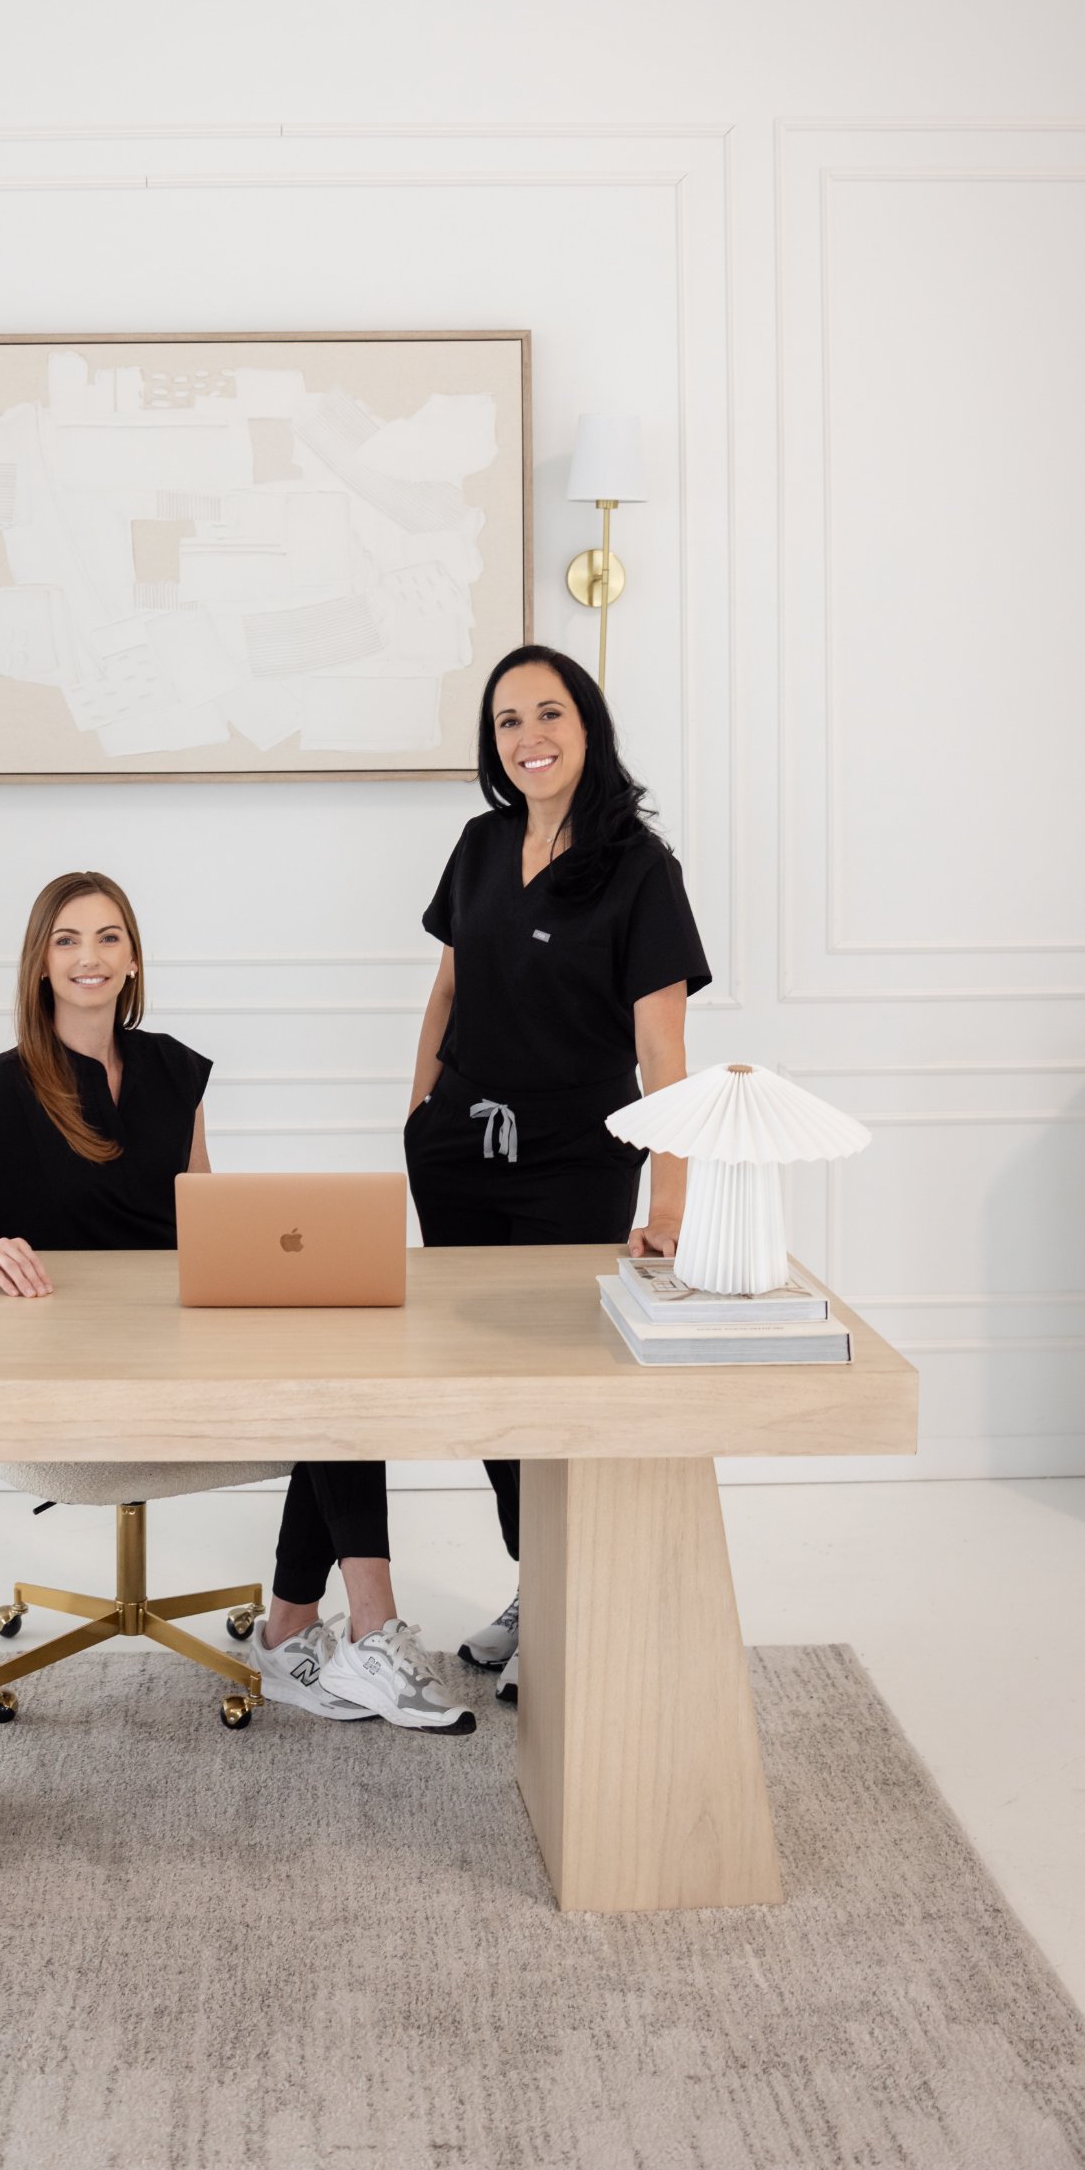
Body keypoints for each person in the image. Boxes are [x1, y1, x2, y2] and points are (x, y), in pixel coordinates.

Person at [0, 868, 470, 1735]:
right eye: (66, 940)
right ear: (39, 964)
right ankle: (332, 1637)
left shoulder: (174, 1073)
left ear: (133, 958)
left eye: (107, 937)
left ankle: (320, 1638)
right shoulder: (3, 1087)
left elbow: (202, 1222)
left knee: (337, 1377)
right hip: (60, 1384)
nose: (88, 957)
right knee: (328, 1403)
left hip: (174, 1353)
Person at [405, 645, 709, 1704]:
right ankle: (543, 1587)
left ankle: (570, 1600)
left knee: (559, 1392)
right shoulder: (482, 844)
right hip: (457, 1153)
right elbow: (447, 989)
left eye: (548, 713)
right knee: (487, 1395)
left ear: (587, 726)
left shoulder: (638, 866)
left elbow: (664, 1055)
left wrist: (666, 1204)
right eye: (505, 722)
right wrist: (417, 1111)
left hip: (575, 1165)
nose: (527, 737)